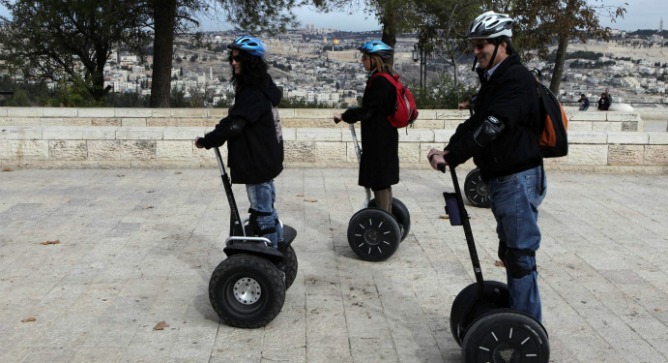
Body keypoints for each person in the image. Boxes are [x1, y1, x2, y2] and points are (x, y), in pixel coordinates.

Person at [426, 11, 546, 322]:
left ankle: (525, 329)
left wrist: (453, 157)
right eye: (475, 45)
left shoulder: (515, 79)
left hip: (517, 179)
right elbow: (476, 122)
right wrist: (450, 149)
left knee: (519, 256)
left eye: (482, 45)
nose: (476, 51)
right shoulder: (495, 79)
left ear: (502, 45)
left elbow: (492, 126)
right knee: (510, 254)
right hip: (503, 179)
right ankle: (517, 318)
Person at [195, 35, 284, 249]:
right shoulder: (263, 85)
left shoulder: (253, 92)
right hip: (266, 158)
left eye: (239, 59)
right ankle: (278, 244)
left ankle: (270, 257)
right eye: (232, 58)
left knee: (262, 212)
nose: (233, 62)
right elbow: (238, 118)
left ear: (251, 62)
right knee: (267, 208)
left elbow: (235, 124)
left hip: (256, 161)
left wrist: (208, 140)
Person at [333, 40, 399, 215]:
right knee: (383, 180)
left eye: (365, 57)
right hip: (384, 135)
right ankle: (387, 215)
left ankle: (383, 218)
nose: (362, 60)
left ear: (375, 59)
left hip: (379, 138)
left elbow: (368, 111)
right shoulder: (387, 77)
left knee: (379, 179)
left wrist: (344, 116)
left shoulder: (379, 81)